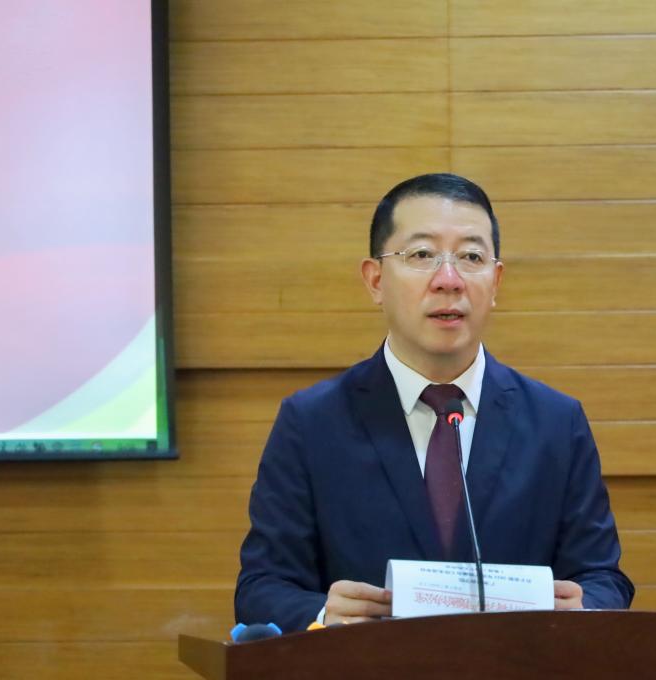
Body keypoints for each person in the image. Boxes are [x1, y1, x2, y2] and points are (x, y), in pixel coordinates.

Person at [235, 173, 634, 632]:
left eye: (471, 257)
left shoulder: (556, 422)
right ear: (375, 280)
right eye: (422, 255)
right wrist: (325, 614)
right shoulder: (312, 422)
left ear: (496, 281)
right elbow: (261, 588)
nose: (449, 280)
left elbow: (603, 578)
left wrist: (583, 608)